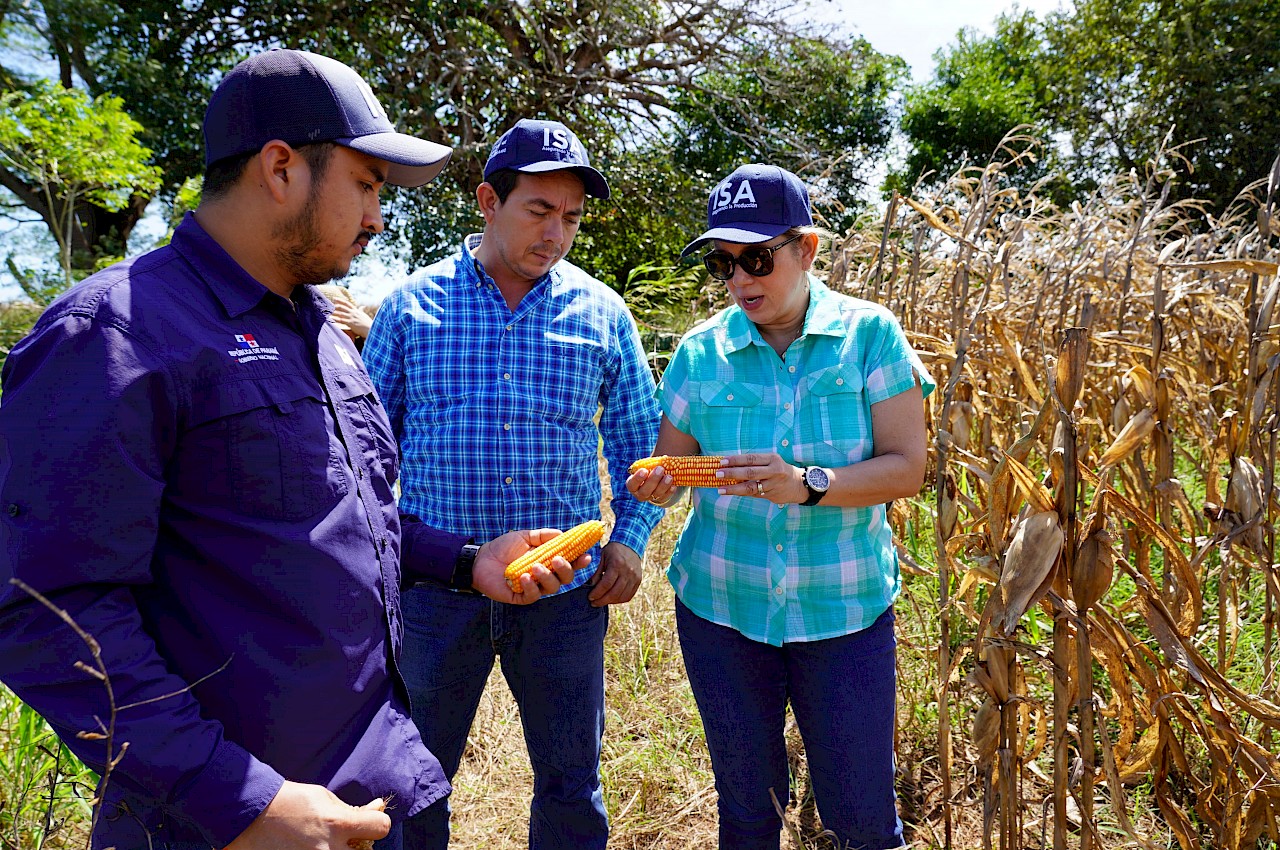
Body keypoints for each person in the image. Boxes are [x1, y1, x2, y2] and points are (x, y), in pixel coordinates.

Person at [0, 49, 582, 850]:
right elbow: (50, 611)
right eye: (368, 185)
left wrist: (467, 560)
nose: (379, 217)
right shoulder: (117, 337)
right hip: (220, 825)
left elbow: (343, 518)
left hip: (367, 797)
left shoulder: (322, 332)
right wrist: (240, 801)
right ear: (281, 169)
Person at [362, 118, 663, 849]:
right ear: (488, 201)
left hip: (563, 594)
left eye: (572, 218)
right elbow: (364, 457)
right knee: (409, 782)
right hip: (435, 595)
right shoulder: (411, 307)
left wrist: (628, 542)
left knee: (571, 784)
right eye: (539, 210)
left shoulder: (601, 313)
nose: (556, 233)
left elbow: (640, 446)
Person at [626, 163, 935, 850]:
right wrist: (660, 483)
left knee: (861, 819)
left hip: (843, 613)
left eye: (757, 258)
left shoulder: (870, 336)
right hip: (721, 611)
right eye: (723, 263)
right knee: (747, 812)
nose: (740, 280)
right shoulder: (700, 352)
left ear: (807, 249)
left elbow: (907, 468)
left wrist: (807, 482)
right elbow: (673, 465)